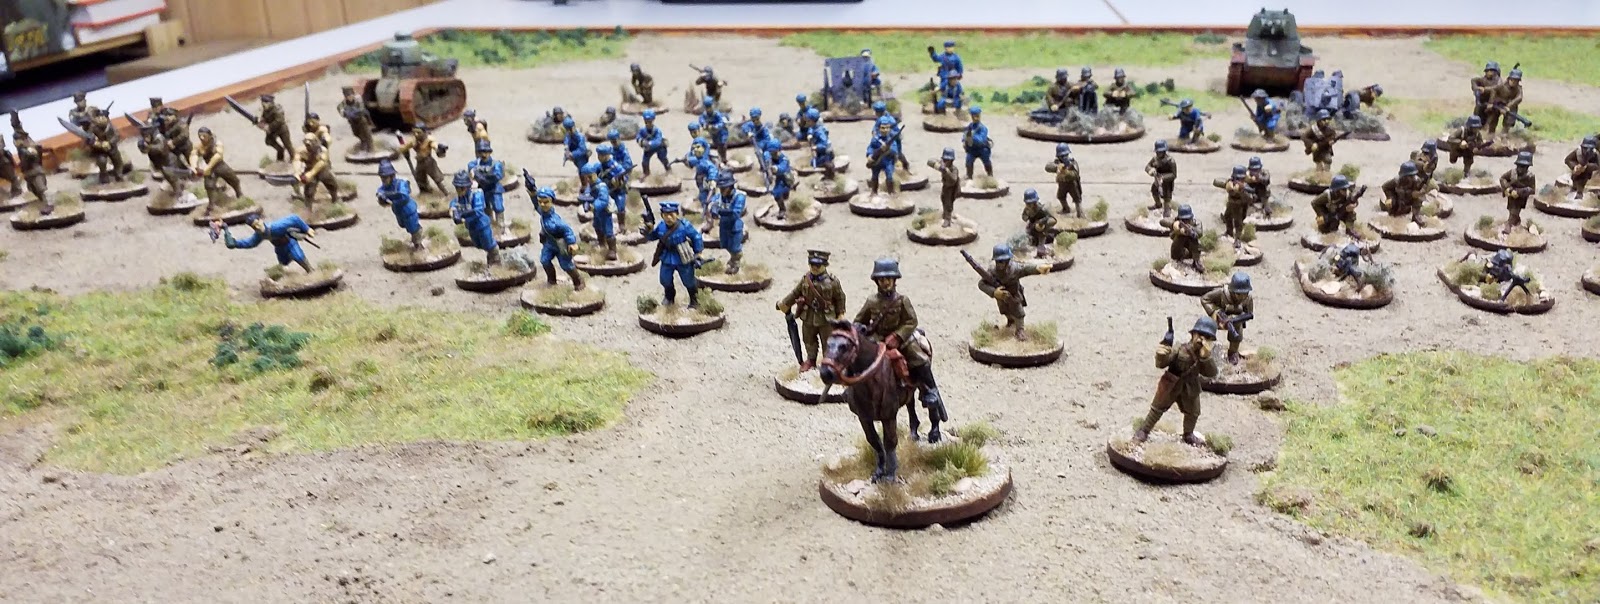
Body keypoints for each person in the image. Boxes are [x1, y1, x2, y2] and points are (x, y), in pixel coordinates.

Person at [854, 258, 948, 443]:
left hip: (902, 342)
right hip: (878, 342)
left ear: (894, 280)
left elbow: (911, 321)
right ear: (877, 281)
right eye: (882, 279)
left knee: (920, 361)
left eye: (888, 279)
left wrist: (897, 336)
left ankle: (930, 392)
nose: (885, 282)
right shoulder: (871, 301)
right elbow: (859, 320)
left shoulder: (902, 300)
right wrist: (859, 328)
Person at [1131, 317, 1220, 447]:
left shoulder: (1204, 355)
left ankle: (1188, 434)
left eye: (1207, 337)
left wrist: (1206, 357)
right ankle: (1144, 431)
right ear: (1193, 334)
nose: (1201, 339)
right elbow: (1161, 364)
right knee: (1157, 408)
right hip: (1172, 383)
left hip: (1190, 386)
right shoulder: (1180, 348)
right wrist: (1161, 355)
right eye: (1200, 334)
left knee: (1193, 412)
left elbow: (1211, 373)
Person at [777, 250, 846, 372]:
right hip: (808, 315)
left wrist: (841, 313)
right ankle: (810, 360)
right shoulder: (805, 280)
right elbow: (795, 293)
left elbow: (840, 297)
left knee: (827, 341)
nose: (814, 267)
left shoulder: (832, 282)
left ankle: (828, 362)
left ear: (825, 265)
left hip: (826, 318)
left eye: (818, 265)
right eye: (812, 264)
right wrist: (785, 303)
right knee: (808, 339)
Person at [640, 201, 706, 308]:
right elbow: (653, 236)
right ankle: (669, 297)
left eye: (671, 214)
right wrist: (647, 231)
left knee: (688, 280)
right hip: (667, 256)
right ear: (662, 215)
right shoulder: (661, 226)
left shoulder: (684, 225)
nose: (669, 218)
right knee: (664, 279)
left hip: (683, 256)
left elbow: (696, 237)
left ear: (677, 214)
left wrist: (698, 253)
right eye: (666, 215)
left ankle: (694, 299)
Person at [375, 159, 424, 251]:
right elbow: (381, 190)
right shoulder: (385, 186)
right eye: (382, 178)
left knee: (413, 227)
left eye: (385, 177)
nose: (383, 180)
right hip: (398, 211)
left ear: (391, 176)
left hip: (407, 209)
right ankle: (416, 238)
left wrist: (391, 199)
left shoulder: (400, 184)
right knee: (403, 225)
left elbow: (404, 196)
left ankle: (418, 243)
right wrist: (381, 196)